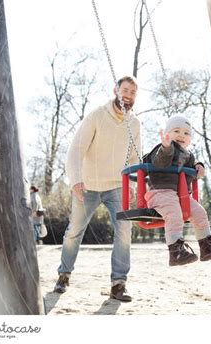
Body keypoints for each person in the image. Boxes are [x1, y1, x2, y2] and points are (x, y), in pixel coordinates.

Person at [53, 76, 141, 302]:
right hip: (88, 185)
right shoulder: (96, 116)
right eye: (125, 90)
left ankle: (118, 283)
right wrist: (76, 180)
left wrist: (131, 183)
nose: (128, 95)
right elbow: (75, 151)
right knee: (74, 231)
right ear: (116, 90)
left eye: (132, 92)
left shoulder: (134, 124)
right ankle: (64, 275)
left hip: (116, 187)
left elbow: (134, 158)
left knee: (124, 232)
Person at [143, 115, 211, 266]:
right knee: (174, 214)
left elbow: (193, 165)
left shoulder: (188, 155)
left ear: (190, 139)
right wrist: (166, 147)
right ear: (167, 134)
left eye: (186, 133)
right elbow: (160, 162)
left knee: (200, 213)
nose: (182, 135)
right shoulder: (162, 148)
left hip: (181, 196)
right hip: (160, 194)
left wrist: (199, 165)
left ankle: (207, 247)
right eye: (177, 131)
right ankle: (176, 252)